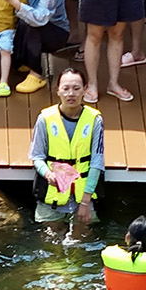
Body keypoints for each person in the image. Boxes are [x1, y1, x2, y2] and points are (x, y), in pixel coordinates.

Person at [31, 68, 103, 233]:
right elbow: (37, 157)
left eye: (76, 88)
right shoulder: (45, 118)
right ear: (58, 91)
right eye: (66, 88)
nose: (71, 93)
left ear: (85, 90)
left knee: (81, 245)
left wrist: (85, 202)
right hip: (51, 196)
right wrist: (47, 173)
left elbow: (97, 162)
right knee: (51, 246)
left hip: (83, 196)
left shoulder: (95, 119)